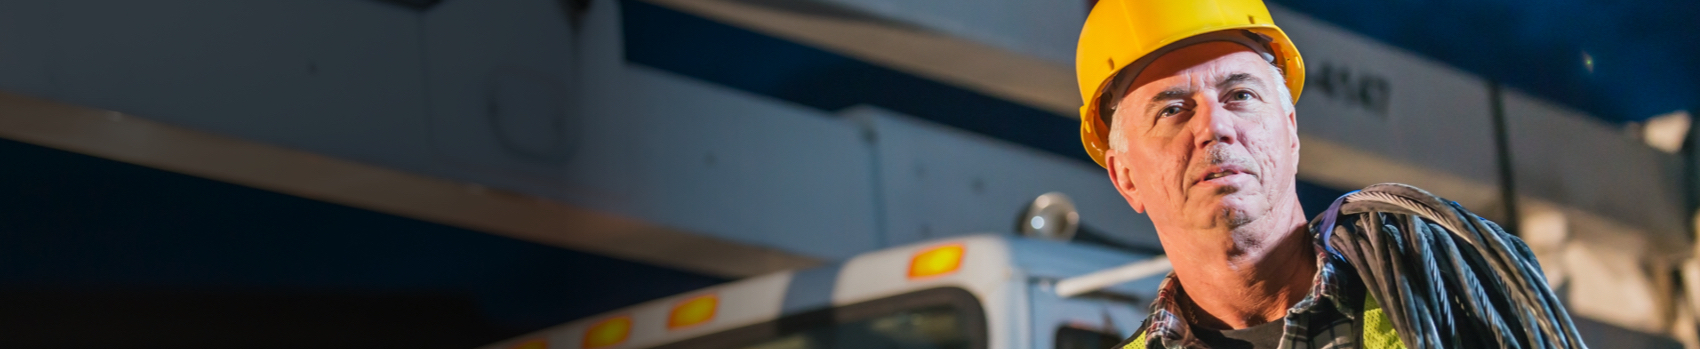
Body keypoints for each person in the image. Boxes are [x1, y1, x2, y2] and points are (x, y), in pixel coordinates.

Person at [1072, 1, 1588, 348]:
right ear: (1126, 178)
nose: (1215, 127)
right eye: (1172, 110)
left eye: (1240, 95)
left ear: (1291, 131)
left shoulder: (1449, 299)